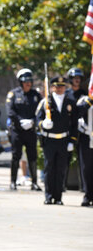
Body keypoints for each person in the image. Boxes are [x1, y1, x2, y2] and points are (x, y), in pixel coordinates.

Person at [36, 76, 78, 204]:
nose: (59, 89)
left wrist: (72, 140)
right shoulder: (45, 102)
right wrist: (43, 123)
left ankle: (58, 197)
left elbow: (74, 123)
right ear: (52, 87)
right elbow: (37, 119)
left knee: (60, 170)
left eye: (62, 86)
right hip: (50, 141)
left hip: (64, 141)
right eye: (57, 86)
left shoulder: (70, 101)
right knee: (49, 169)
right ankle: (48, 197)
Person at [6, 68, 42, 191]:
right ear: (20, 82)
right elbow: (10, 111)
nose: (28, 83)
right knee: (16, 156)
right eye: (25, 81)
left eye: (30, 81)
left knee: (32, 156)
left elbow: (40, 111)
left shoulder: (36, 95)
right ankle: (12, 182)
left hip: (30, 130)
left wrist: (32, 121)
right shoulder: (13, 94)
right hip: (17, 130)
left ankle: (34, 182)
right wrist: (20, 121)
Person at [76, 94, 93, 206]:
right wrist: (89, 102)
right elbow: (77, 114)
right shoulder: (83, 100)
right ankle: (87, 194)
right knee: (86, 167)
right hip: (86, 138)